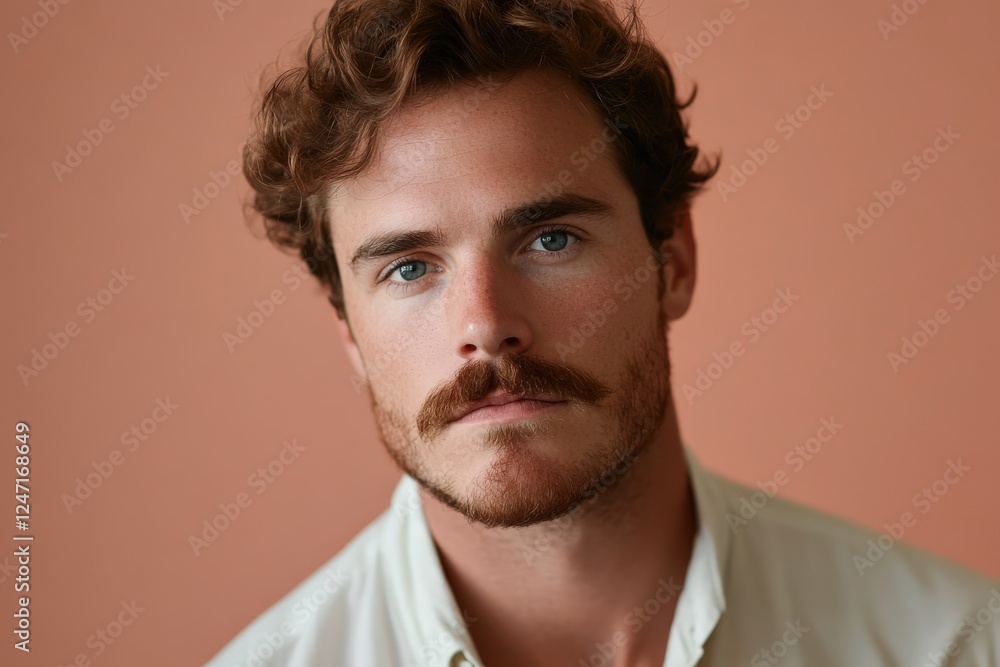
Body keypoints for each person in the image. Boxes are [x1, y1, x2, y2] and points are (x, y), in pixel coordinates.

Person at [207, 1, 1000, 665]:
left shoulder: (955, 644)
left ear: (674, 261)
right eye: (409, 269)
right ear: (347, 329)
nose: (486, 325)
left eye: (550, 238)